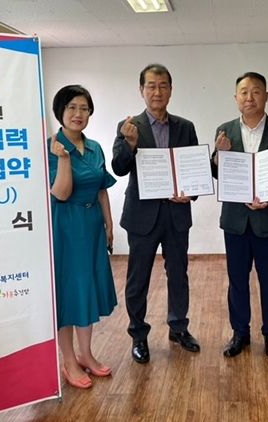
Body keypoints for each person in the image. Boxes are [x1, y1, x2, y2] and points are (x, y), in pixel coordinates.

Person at [112, 63, 200, 364]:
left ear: (171, 90)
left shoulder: (185, 127)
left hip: (176, 214)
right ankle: (138, 334)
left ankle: (179, 328)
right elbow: (119, 167)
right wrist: (130, 144)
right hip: (142, 216)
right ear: (141, 90)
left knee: (178, 274)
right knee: (138, 278)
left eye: (163, 86)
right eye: (151, 86)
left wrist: (191, 192)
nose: (157, 91)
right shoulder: (129, 126)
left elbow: (193, 170)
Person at [212, 71, 268, 359]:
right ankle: (240, 333)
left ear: (266, 96)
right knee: (237, 280)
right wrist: (219, 156)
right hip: (235, 221)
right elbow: (218, 174)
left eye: (256, 91)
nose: (250, 97)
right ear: (236, 97)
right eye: (244, 92)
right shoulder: (224, 130)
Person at [48, 84, 117, 389]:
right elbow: (61, 194)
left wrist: (109, 224)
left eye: (84, 108)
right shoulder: (52, 147)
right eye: (72, 107)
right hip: (65, 226)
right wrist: (63, 159)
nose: (78, 114)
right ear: (60, 111)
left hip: (91, 224)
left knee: (86, 289)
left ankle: (86, 354)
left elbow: (101, 189)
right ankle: (68, 360)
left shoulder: (95, 147)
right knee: (68, 293)